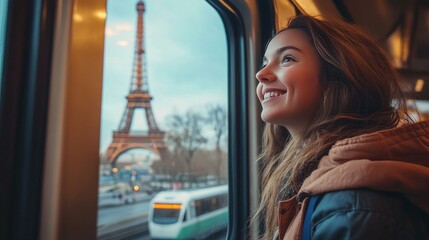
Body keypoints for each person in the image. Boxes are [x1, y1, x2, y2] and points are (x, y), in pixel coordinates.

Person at [254, 14, 429, 240]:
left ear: (336, 78)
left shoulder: (351, 205)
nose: (261, 74)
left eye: (287, 59)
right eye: (264, 63)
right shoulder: (312, 179)